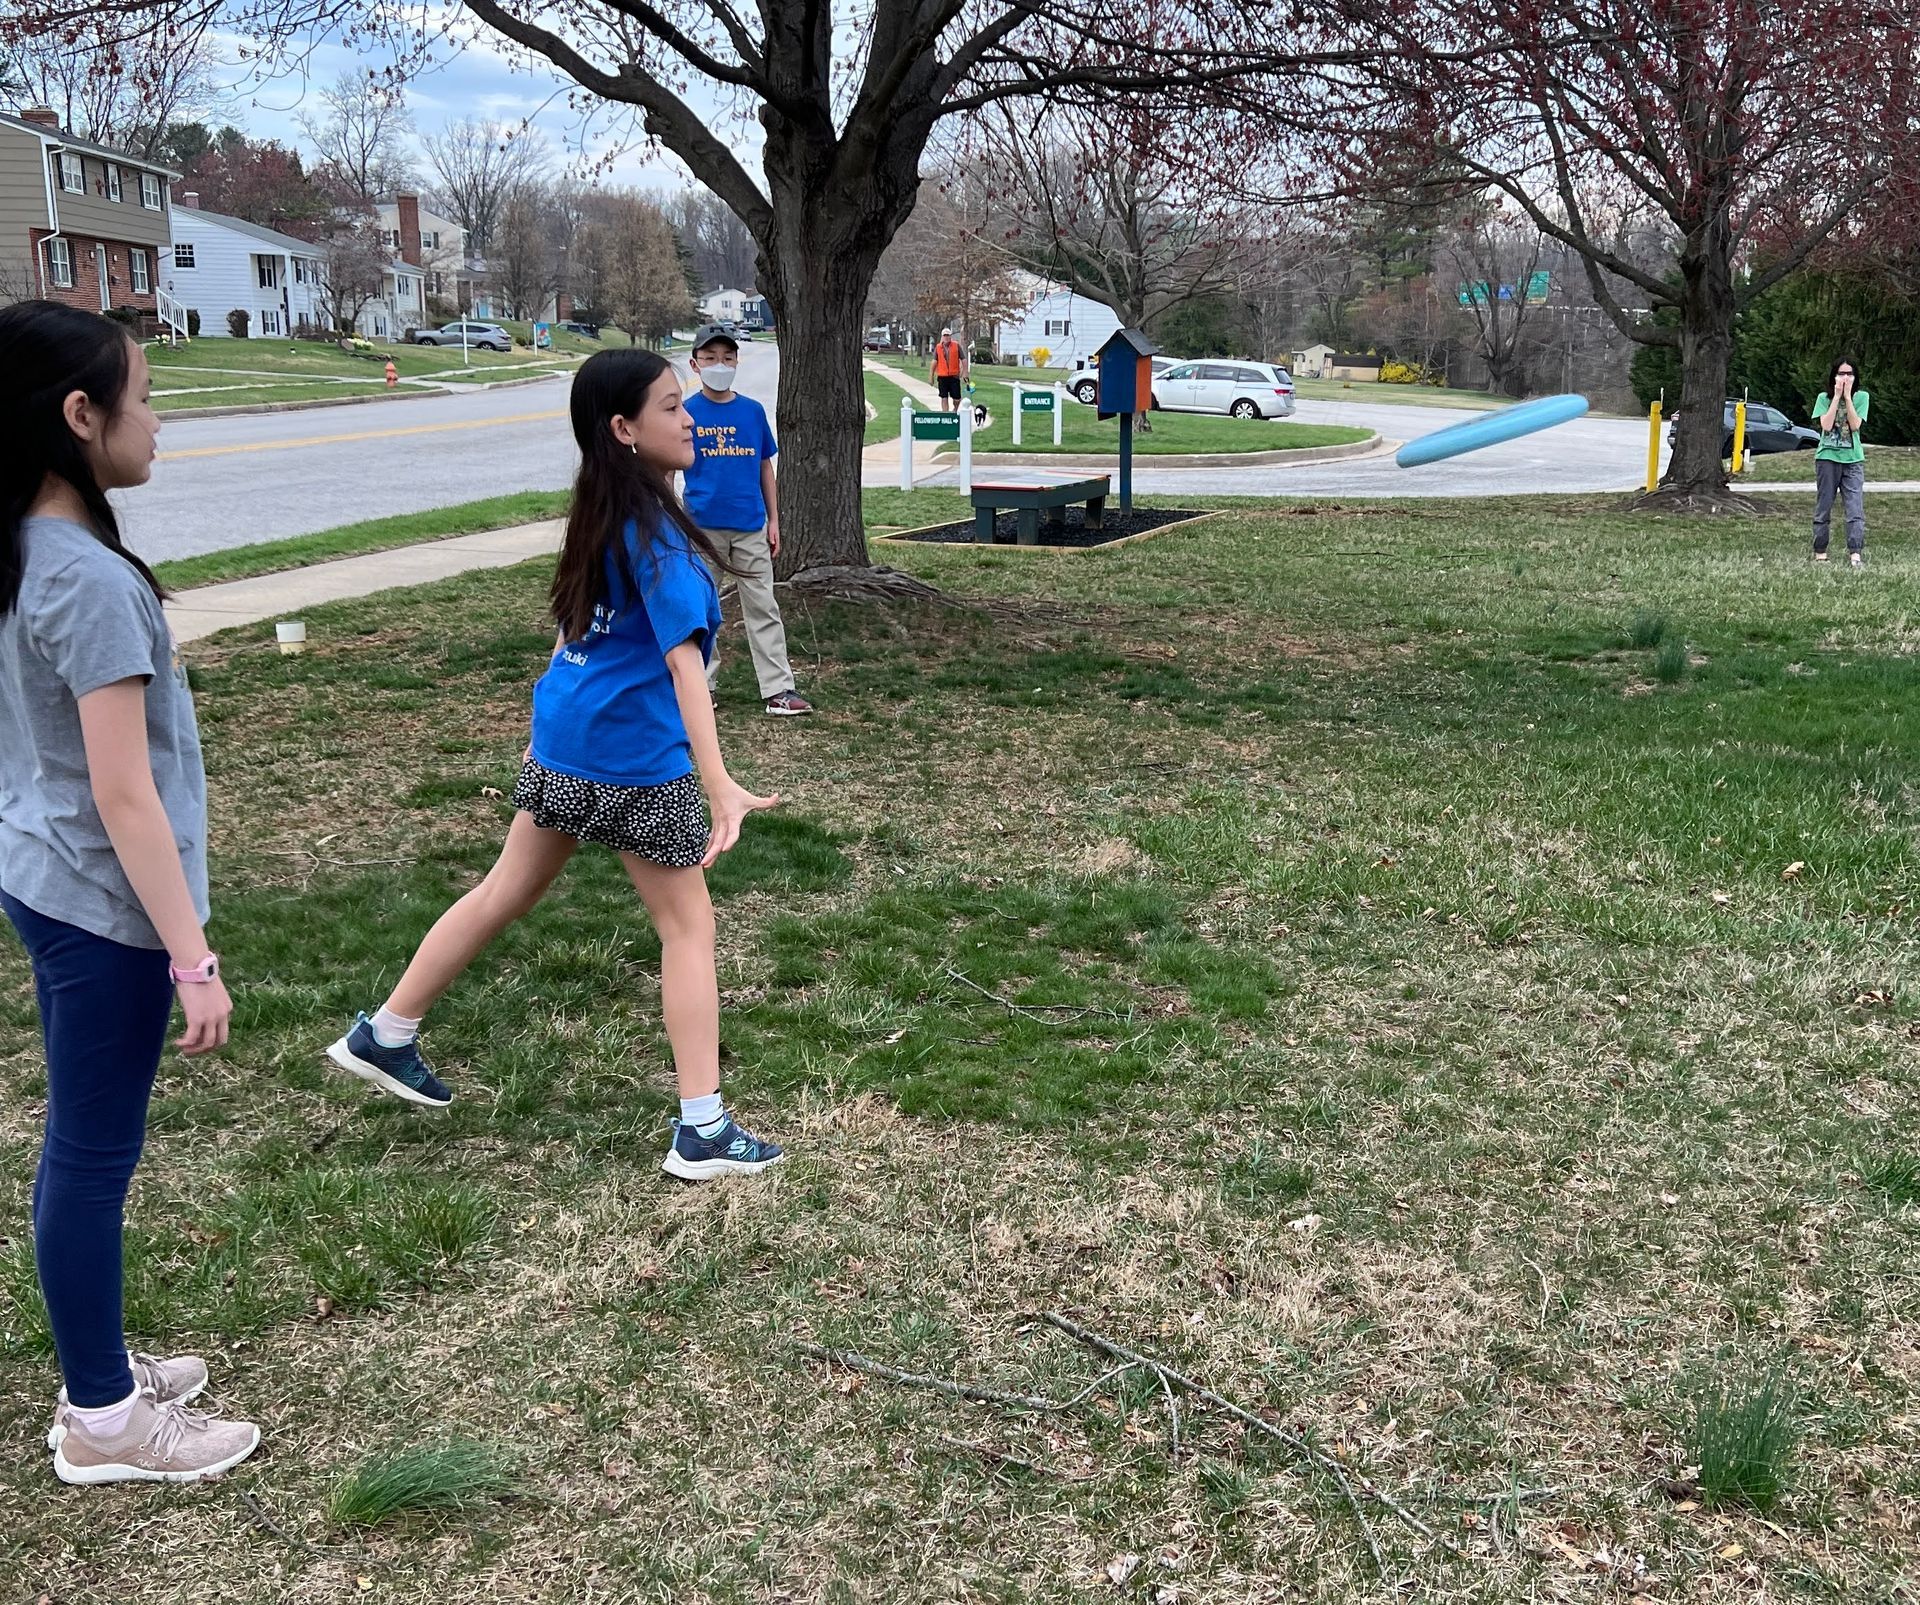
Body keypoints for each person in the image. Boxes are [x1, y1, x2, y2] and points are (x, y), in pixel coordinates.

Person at [327, 347, 786, 1181]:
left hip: (564, 741)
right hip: (631, 759)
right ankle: (703, 1128)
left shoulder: (600, 508)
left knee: (504, 890)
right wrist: (719, 784)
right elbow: (686, 665)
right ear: (624, 429)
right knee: (689, 928)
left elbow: (574, 630)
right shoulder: (660, 536)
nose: (690, 418)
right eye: (672, 406)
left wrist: (553, 735)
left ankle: (386, 1031)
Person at [0, 301, 261, 1484]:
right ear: (78, 415)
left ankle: (100, 1369)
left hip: (43, 878)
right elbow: (125, 794)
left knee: (82, 1145)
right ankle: (104, 1418)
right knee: (91, 1153)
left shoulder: (23, 550)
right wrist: (191, 958)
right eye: (143, 399)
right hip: (99, 908)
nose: (156, 422)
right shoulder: (88, 580)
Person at [682, 326, 813, 717]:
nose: (719, 365)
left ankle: (778, 689)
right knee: (700, 610)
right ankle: (700, 686)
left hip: (751, 526)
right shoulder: (686, 412)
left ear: (737, 361)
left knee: (763, 606)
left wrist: (774, 519)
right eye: (710, 358)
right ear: (695, 364)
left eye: (727, 357)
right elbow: (669, 464)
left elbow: (765, 467)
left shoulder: (752, 412)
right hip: (702, 529)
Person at [1810, 358, 1870, 568]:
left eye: (1849, 374)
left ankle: (1855, 553)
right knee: (1824, 506)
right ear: (1833, 376)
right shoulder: (1823, 398)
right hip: (1827, 458)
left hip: (1853, 460)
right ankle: (1820, 552)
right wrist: (1836, 396)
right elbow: (1826, 426)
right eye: (1841, 373)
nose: (1845, 378)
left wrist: (1847, 397)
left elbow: (1855, 425)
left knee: (1854, 508)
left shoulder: (1862, 397)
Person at [930, 327, 969, 413]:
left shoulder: (956, 345)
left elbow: (963, 359)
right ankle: (945, 414)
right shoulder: (938, 347)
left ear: (950, 336)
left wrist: (965, 373)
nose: (946, 337)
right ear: (942, 337)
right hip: (942, 376)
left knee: (957, 398)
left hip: (954, 376)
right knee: (944, 397)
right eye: (945, 335)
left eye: (948, 335)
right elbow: (934, 362)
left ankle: (955, 410)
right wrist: (931, 376)